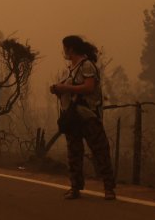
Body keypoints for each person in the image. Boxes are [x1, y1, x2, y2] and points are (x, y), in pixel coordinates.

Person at [49, 35, 116, 200]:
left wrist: (65, 87)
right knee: (74, 154)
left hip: (88, 116)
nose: (63, 51)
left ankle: (109, 189)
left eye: (65, 48)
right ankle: (75, 187)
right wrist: (58, 90)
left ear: (71, 48)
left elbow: (88, 87)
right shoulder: (71, 68)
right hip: (73, 118)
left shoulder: (87, 65)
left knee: (100, 151)